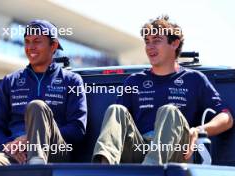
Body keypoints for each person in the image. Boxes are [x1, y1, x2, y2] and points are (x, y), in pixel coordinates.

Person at [92, 15, 233, 165]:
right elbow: (118, 126)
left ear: (175, 43)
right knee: (116, 110)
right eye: (147, 42)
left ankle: (151, 170)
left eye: (157, 41)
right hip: (140, 150)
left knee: (169, 111)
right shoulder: (134, 81)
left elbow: (226, 118)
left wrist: (198, 131)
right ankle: (104, 169)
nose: (150, 47)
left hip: (177, 154)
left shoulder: (195, 79)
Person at [0, 20, 87, 166]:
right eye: (27, 42)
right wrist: (9, 146)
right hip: (16, 152)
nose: (30, 47)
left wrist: (32, 139)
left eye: (37, 41)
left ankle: (36, 163)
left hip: (54, 152)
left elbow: (77, 129)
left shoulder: (72, 80)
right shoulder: (11, 80)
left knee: (37, 106)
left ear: (53, 46)